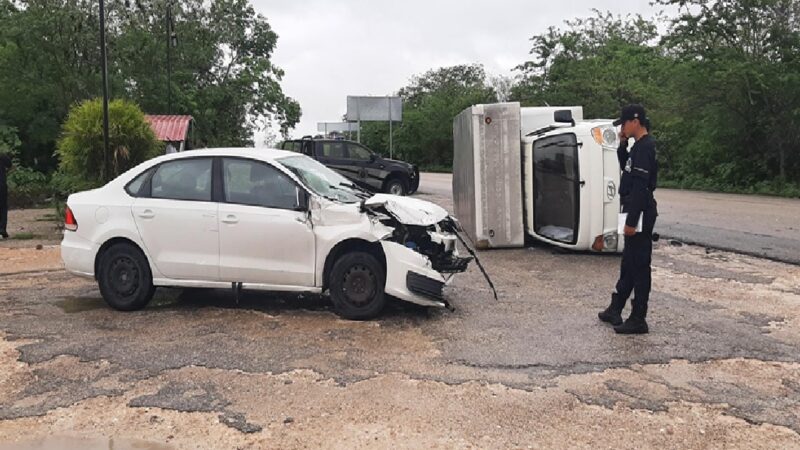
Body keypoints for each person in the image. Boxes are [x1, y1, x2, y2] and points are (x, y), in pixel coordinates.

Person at [598, 104, 658, 334]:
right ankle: (616, 307)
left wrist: (633, 221)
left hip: (639, 210)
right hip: (632, 207)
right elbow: (626, 169)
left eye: (623, 124)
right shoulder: (637, 147)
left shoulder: (645, 147)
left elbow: (642, 187)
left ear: (635, 121)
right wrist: (622, 144)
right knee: (628, 262)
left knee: (640, 265)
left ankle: (638, 317)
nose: (622, 128)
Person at [0, 153, 12, 239]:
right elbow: (9, 164)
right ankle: (2, 229)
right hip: (1, 185)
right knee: (3, 207)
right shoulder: (2, 156)